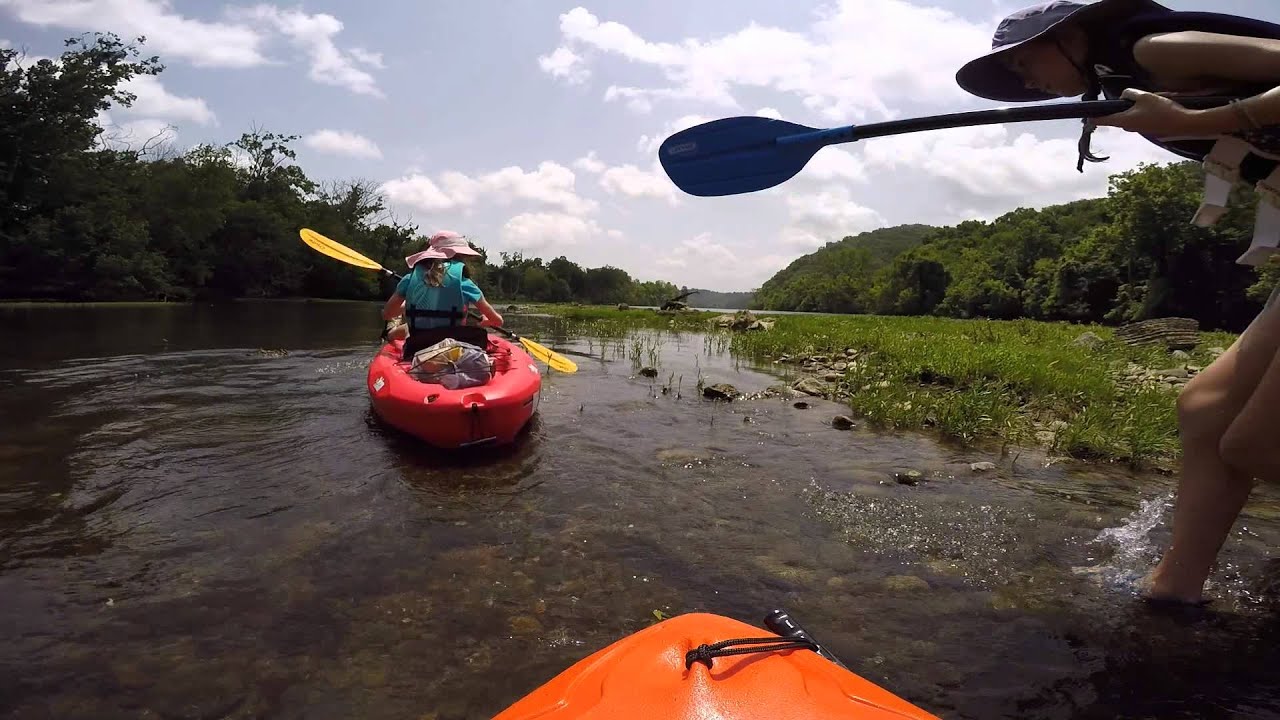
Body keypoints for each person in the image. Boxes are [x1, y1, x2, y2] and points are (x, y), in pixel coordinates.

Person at [955, 0, 1280, 605]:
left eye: (1026, 61)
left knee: (1256, 445)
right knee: (1207, 409)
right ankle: (1173, 594)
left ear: (1074, 37)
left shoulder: (1154, 51)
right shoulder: (1125, 82)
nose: (1026, 80)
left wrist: (1198, 120)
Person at [381, 230, 504, 360]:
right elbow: (497, 321)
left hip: (417, 348)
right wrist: (486, 320)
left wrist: (407, 306)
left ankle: (390, 334)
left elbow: (388, 314)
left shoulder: (409, 279)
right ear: (459, 256)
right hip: (452, 350)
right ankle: (392, 333)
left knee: (406, 327)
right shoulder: (464, 283)